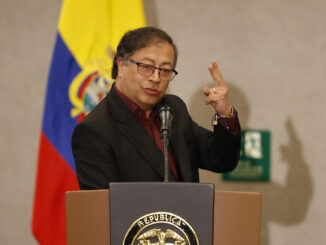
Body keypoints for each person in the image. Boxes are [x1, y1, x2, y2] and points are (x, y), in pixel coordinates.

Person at [72, 27, 241, 190]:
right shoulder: (94, 130)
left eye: (165, 70)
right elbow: (105, 209)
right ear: (121, 65)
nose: (156, 78)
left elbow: (221, 159)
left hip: (187, 218)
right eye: (146, 67)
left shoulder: (174, 109)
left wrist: (225, 114)